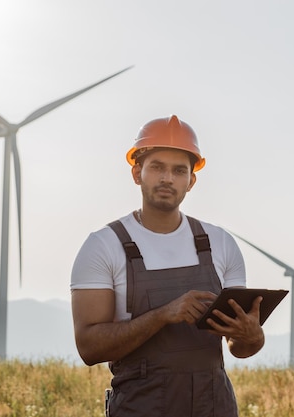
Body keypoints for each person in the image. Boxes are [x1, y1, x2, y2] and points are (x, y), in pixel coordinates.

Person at [70, 115, 265, 417]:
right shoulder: (103, 246)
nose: (167, 178)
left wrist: (252, 336)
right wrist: (163, 315)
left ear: (191, 180)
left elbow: (238, 347)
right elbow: (89, 348)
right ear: (137, 173)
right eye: (157, 167)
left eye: (178, 170)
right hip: (140, 408)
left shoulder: (220, 243)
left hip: (214, 407)